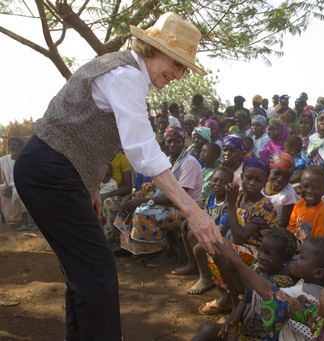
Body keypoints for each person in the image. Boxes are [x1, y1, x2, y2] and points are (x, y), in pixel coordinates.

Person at [13, 12, 221, 340]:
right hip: (48, 172)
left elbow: (90, 133)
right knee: (97, 268)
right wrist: (194, 212)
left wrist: (91, 184)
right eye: (177, 64)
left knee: (85, 270)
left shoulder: (124, 72)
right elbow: (142, 150)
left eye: (184, 68)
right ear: (154, 49)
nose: (179, 75)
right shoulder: (125, 76)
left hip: (56, 171)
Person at [214, 239, 324, 341]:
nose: (322, 292)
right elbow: (273, 294)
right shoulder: (323, 322)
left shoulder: (322, 324)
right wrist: (235, 261)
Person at [115, 126, 203, 265]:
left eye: (177, 141)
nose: (173, 144)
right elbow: (153, 186)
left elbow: (179, 197)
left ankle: (163, 250)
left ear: (183, 142)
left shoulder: (189, 162)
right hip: (170, 204)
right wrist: (132, 197)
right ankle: (132, 246)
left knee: (143, 213)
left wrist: (144, 200)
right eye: (169, 141)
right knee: (128, 207)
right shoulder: (167, 161)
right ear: (164, 143)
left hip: (187, 209)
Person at [202, 158, 277, 315]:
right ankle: (227, 296)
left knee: (224, 253)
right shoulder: (238, 195)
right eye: (248, 178)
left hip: (260, 251)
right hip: (241, 245)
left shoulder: (263, 206)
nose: (252, 183)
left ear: (265, 182)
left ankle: (236, 300)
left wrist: (230, 205)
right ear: (241, 177)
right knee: (211, 246)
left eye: (258, 180)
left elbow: (240, 239)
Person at [193, 228, 296, 340]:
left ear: (285, 259)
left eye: (268, 254)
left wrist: (238, 266)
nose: (261, 256)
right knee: (206, 329)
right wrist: (235, 318)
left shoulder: (285, 282)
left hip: (263, 335)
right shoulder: (257, 268)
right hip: (245, 327)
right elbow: (245, 295)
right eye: (261, 250)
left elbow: (259, 294)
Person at [172, 167, 234, 295]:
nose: (217, 184)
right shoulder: (212, 197)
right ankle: (193, 265)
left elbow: (221, 230)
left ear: (229, 185)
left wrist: (200, 227)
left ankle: (206, 278)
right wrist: (192, 221)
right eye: (215, 180)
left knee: (198, 244)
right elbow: (204, 215)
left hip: (223, 237)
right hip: (211, 231)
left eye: (223, 182)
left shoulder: (229, 203)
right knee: (187, 229)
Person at [277, 237, 324, 340]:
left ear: (319, 273)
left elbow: (264, 295)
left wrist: (243, 268)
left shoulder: (299, 295)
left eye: (301, 256)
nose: (295, 257)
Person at [287, 165, 324, 242]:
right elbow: (291, 227)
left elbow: (319, 240)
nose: (309, 191)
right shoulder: (299, 204)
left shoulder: (323, 212)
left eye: (315, 188)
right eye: (305, 186)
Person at [263, 153, 300, 228]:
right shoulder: (262, 184)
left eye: (286, 177)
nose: (280, 179)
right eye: (276, 173)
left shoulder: (288, 194)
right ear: (269, 171)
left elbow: (283, 222)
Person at [0, 137, 31, 227]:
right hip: (8, 187)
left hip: (23, 185)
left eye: (14, 144)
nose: (11, 147)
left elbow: (27, 178)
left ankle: (24, 217)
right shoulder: (3, 160)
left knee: (18, 191)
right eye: (10, 144)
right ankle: (4, 220)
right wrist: (5, 187)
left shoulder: (25, 159)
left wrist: (12, 186)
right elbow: (4, 179)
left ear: (21, 146)